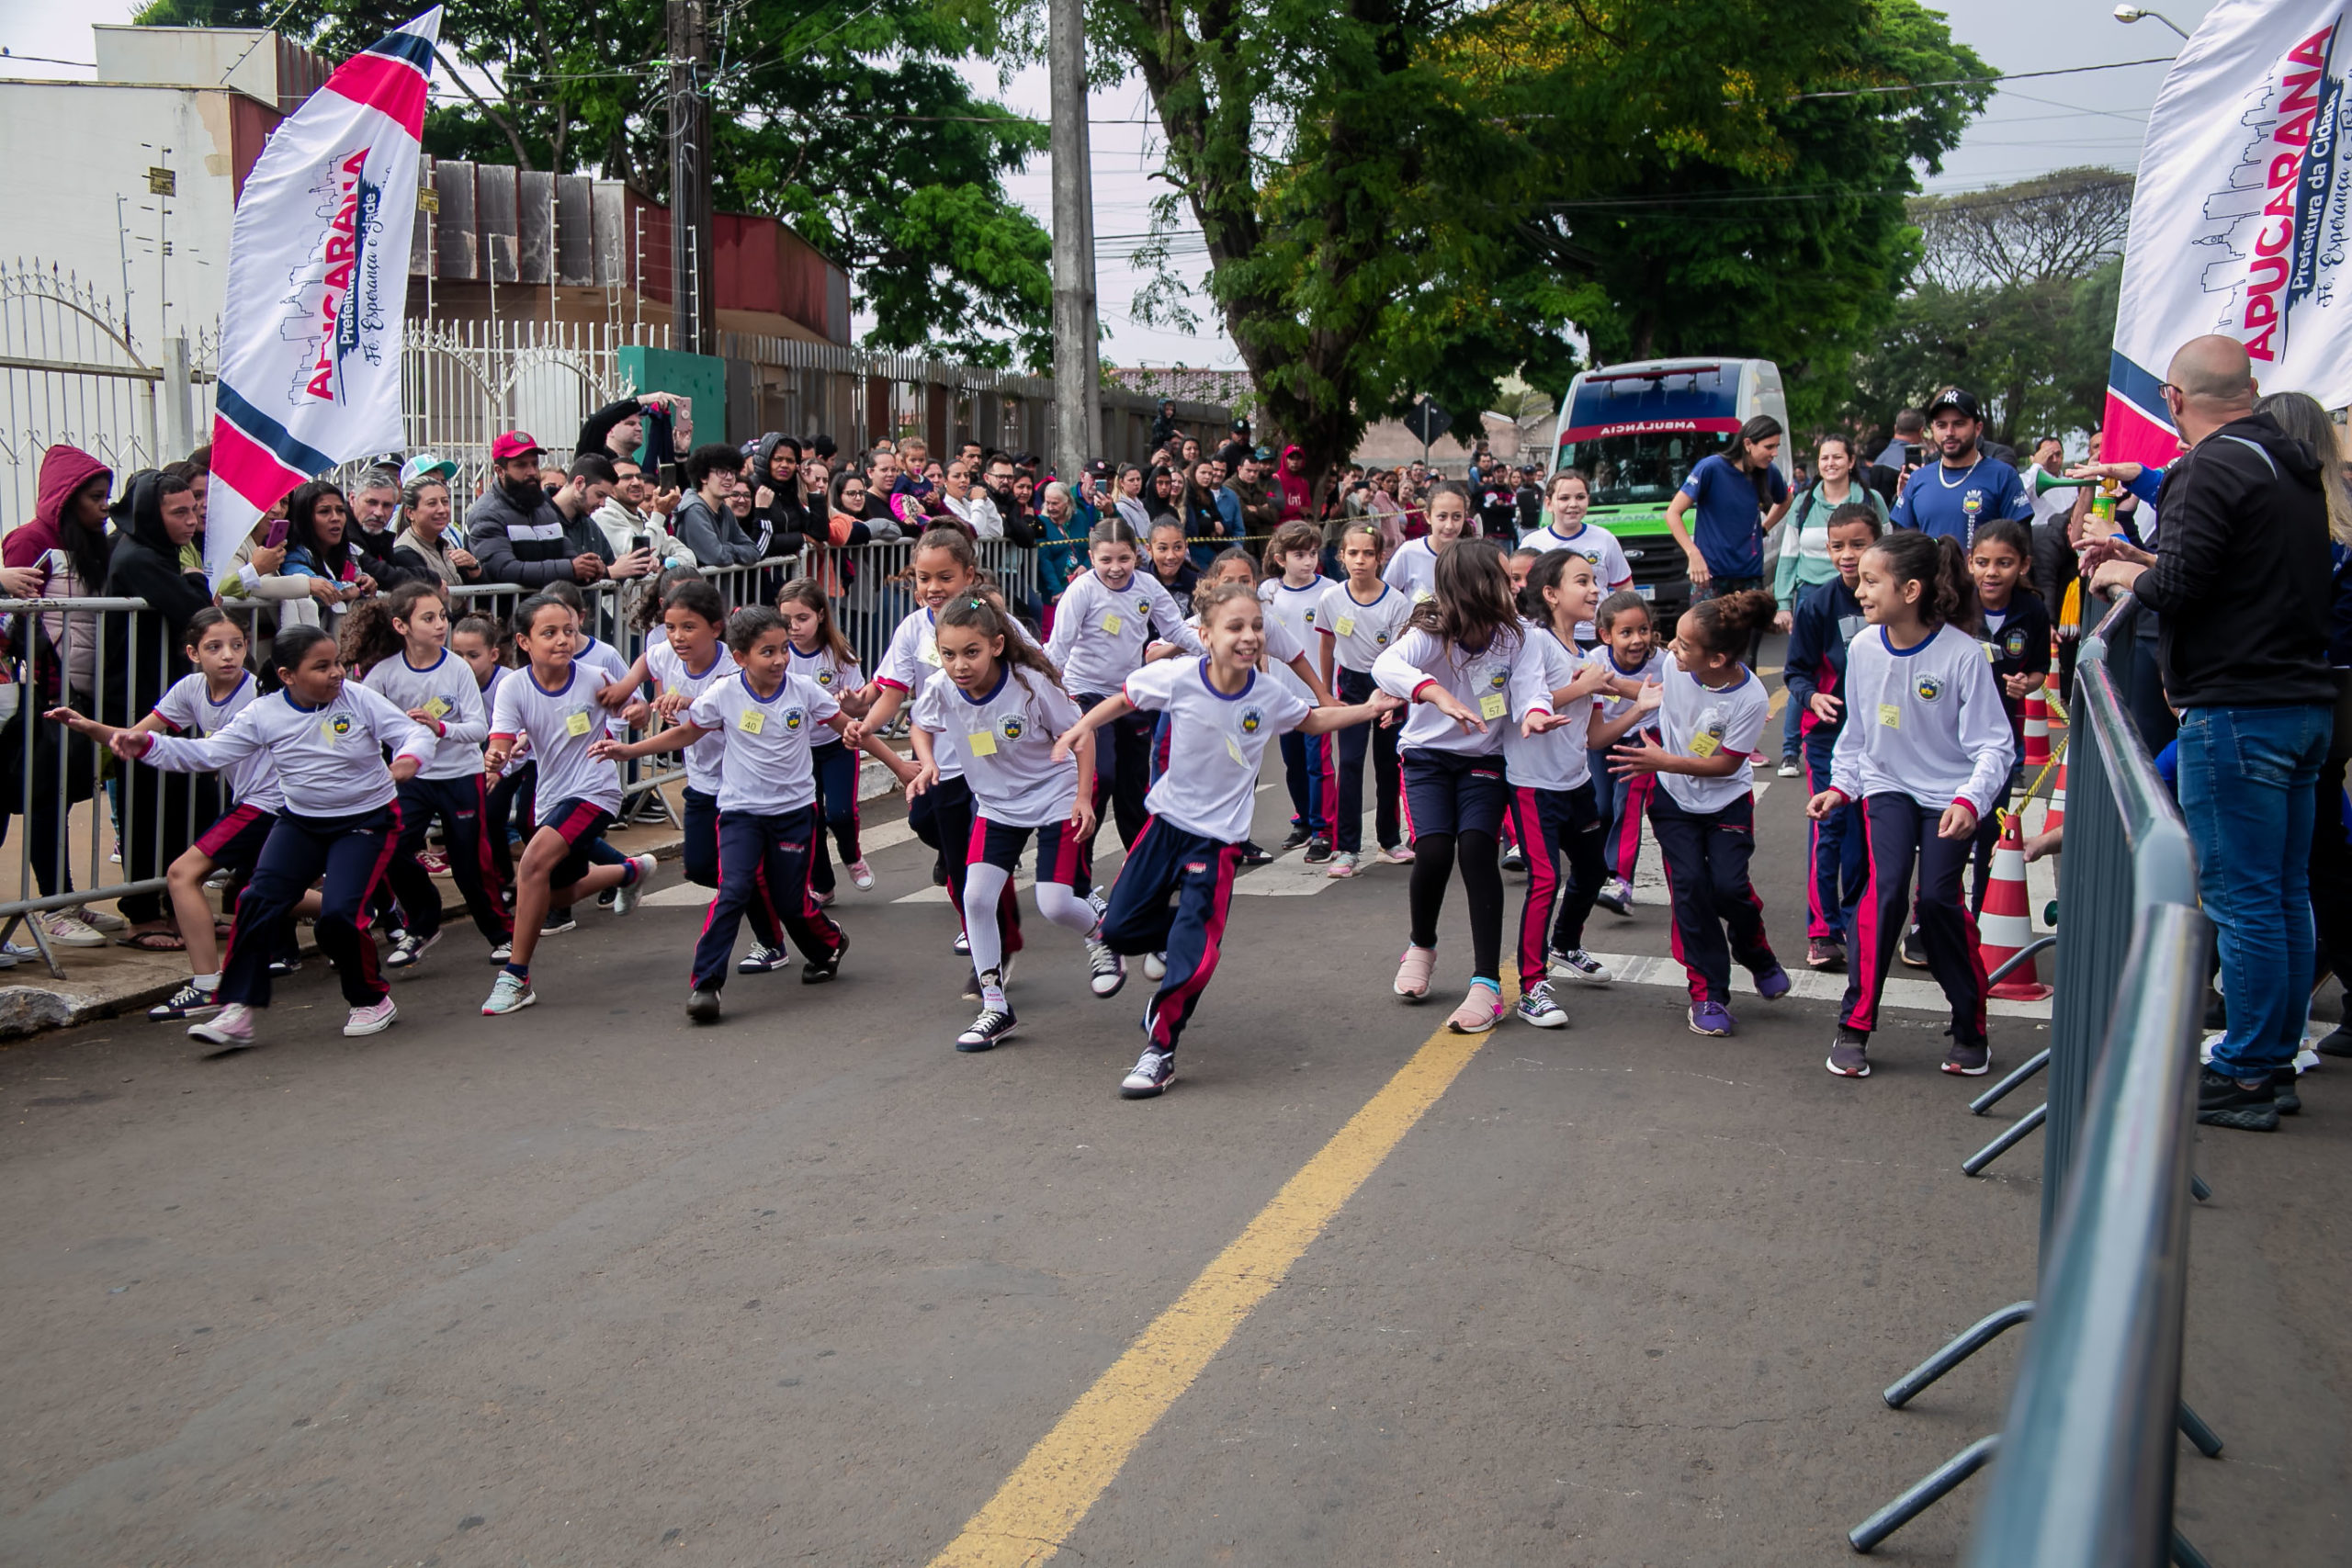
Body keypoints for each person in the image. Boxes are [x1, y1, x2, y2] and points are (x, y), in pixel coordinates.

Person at [2084, 336, 2335, 1131]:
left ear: (2173, 398)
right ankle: (2272, 1057)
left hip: (2238, 710)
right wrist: (2146, 554)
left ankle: (2250, 1068)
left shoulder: (2209, 465)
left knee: (2245, 899)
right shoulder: (2288, 465)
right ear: (2252, 390)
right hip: (2299, 704)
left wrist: (2126, 571)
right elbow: (2230, 570)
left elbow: (2186, 583)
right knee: (2283, 892)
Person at [1054, 581, 1399, 1098]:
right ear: (1205, 635)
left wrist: (1368, 709)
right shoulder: (1176, 677)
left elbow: (1311, 720)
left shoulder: (1267, 693)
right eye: (1235, 627)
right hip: (1164, 827)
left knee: (1196, 959)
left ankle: (1160, 1050)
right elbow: (1125, 698)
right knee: (1120, 932)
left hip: (1216, 845)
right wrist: (1080, 728)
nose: (1249, 637)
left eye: (1256, 627)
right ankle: (1178, 941)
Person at [92, 625, 437, 1044]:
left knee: (338, 916)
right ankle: (236, 1010)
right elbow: (207, 753)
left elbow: (411, 731)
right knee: (255, 901)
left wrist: (408, 759)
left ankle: (370, 999)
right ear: (288, 675)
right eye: (322, 666)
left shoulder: (358, 698)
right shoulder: (264, 713)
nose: (336, 674)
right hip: (301, 822)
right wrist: (146, 746)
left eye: (338, 663)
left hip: (364, 822)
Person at [594, 607, 905, 1023]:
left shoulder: (804, 691)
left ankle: (829, 944)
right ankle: (706, 985)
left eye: (783, 650)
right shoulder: (724, 694)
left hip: (794, 813)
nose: (779, 660)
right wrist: (629, 750)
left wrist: (900, 767)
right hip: (740, 812)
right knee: (733, 890)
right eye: (767, 652)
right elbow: (687, 731)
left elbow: (850, 729)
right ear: (740, 657)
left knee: (790, 902)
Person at [1805, 529, 2012, 1078]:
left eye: (1873, 581)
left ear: (1912, 589)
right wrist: (1840, 786)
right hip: (1888, 786)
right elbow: (1857, 734)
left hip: (1952, 794)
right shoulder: (1865, 648)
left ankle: (1970, 1027)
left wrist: (1972, 799)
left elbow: (1996, 743)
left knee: (1940, 902)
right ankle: (1855, 1024)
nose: (1861, 591)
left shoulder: (1965, 656)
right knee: (1886, 889)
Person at [48, 610, 300, 1017]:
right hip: (251, 800)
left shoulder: (259, 696)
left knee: (183, 874)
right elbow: (138, 736)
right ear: (193, 652)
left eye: (237, 645)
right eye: (214, 647)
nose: (228, 656)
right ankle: (358, 903)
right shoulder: (189, 689)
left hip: (271, 802)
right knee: (262, 892)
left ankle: (207, 986)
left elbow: (207, 754)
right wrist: (87, 726)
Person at [1373, 541, 1567, 1033]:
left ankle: (1486, 985)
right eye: (1508, 578)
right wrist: (1431, 692)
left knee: (1478, 850)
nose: (1517, 585)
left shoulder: (1517, 635)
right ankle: (1421, 945)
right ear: (1478, 587)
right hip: (1425, 759)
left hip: (1484, 760)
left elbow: (1530, 690)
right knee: (1435, 851)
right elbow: (1386, 667)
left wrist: (1538, 714)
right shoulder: (1430, 631)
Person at [908, 593, 1112, 1047]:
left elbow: (1081, 735)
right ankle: (995, 1007)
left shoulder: (1030, 684)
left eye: (971, 652)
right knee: (976, 898)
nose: (959, 665)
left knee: (1056, 904)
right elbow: (920, 724)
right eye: (948, 654)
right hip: (998, 806)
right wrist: (925, 762)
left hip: (1055, 796)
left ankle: (1102, 934)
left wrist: (1083, 796)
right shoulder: (943, 688)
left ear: (997, 645)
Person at [846, 529, 1030, 991]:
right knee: (938, 841)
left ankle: (994, 953)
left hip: (992, 766)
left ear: (968, 575)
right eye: (923, 578)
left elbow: (1039, 672)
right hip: (941, 765)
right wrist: (868, 724)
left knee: (980, 864)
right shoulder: (912, 629)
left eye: (944, 577)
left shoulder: (996, 624)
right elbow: (893, 693)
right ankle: (977, 916)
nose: (933, 588)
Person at [1610, 590, 1792, 1037]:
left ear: (1718, 658)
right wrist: (1604, 682)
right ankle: (1708, 993)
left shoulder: (1749, 698)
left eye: (1685, 644)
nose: (1671, 646)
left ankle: (1754, 950)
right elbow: (1661, 696)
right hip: (1673, 802)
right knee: (1690, 890)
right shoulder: (1676, 665)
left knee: (1729, 888)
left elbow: (1727, 764)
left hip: (1725, 801)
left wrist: (1662, 761)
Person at [478, 594, 662, 1017]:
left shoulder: (594, 676)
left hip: (597, 789)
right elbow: (502, 739)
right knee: (553, 891)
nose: (563, 640)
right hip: (552, 795)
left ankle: (516, 977)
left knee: (531, 865)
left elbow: (633, 709)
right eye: (549, 633)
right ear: (524, 641)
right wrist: (496, 757)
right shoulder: (513, 686)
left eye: (568, 631)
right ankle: (630, 870)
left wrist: (636, 713)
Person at [343, 581, 513, 968]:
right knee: (393, 847)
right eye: (429, 618)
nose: (440, 625)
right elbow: (357, 718)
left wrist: (440, 729)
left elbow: (478, 729)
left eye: (442, 616)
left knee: (469, 861)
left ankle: (501, 934)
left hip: (460, 775)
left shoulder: (456, 669)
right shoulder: (384, 673)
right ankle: (422, 922)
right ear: (401, 626)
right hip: (412, 779)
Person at [102, 468, 219, 947]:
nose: (191, 520)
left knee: (184, 804)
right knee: (147, 805)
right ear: (153, 515)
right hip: (139, 697)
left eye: (194, 508)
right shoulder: (138, 558)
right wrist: (194, 583)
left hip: (171, 695)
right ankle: (142, 911)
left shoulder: (161, 554)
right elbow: (197, 613)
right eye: (179, 512)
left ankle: (177, 904)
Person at [1503, 549, 1619, 1027]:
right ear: (1550, 594)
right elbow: (1527, 699)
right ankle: (1531, 985)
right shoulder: (1534, 641)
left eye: (1595, 581)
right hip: (1533, 786)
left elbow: (1592, 736)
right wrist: (1587, 684)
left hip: (1576, 782)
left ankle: (1566, 943)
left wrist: (1642, 705)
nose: (1595, 590)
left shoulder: (1585, 655)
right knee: (1546, 879)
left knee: (1594, 869)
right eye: (1582, 582)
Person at [1044, 516, 1204, 852]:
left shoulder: (1147, 587)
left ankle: (1140, 869)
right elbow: (1058, 649)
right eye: (1106, 560)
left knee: (1133, 787)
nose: (1115, 568)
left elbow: (1175, 631)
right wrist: (1046, 696)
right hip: (1085, 694)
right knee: (1102, 776)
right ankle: (1078, 875)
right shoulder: (1082, 590)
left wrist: (1219, 651)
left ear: (1137, 555)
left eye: (1124, 559)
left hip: (1130, 696)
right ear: (1091, 557)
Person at [1783, 502, 1882, 971]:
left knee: (1867, 835)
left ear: (1877, 544)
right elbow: (1795, 673)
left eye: (1858, 545)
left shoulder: (1894, 600)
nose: (1847, 555)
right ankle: (1822, 932)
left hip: (1881, 737)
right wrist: (1811, 699)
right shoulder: (1817, 604)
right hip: (1826, 738)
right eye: (1838, 546)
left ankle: (1857, 920)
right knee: (1830, 828)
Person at [1771, 434, 1888, 773]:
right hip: (1813, 591)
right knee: (1812, 674)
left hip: (1866, 591)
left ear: (1851, 461)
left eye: (1837, 457)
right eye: (1824, 458)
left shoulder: (1870, 499)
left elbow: (1891, 544)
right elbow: (1789, 552)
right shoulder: (1804, 501)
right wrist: (1783, 600)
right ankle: (1792, 748)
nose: (1830, 464)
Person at [1317, 522, 1416, 874]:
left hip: (1389, 686)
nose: (1360, 561)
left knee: (1389, 764)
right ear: (1341, 556)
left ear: (1380, 557)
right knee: (1352, 763)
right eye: (1353, 553)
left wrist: (1397, 695)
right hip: (1352, 687)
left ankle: (1389, 841)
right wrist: (1326, 693)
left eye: (1368, 554)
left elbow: (1402, 656)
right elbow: (1327, 644)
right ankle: (1346, 848)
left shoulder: (1397, 602)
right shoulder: (1331, 598)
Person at [1964, 516, 2051, 910]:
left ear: (2024, 566)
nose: (1992, 573)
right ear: (1969, 563)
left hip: (1999, 738)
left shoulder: (2032, 610)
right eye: (1982, 562)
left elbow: (2038, 670)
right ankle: (1928, 919)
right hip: (1952, 734)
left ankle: (1980, 913)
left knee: (1988, 828)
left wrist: (2027, 685)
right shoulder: (1955, 606)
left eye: (2004, 563)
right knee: (1945, 828)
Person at [1586, 591, 1663, 918]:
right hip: (1605, 739)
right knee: (1602, 806)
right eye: (1626, 632)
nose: (1637, 640)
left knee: (1626, 804)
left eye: (1643, 630)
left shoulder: (1663, 662)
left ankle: (1622, 882)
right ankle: (1603, 869)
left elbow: (1676, 693)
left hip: (1645, 739)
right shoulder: (1594, 661)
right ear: (1606, 635)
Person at [1664, 415, 1791, 606]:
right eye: (1769, 447)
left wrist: (1765, 528)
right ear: (1748, 443)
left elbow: (1785, 500)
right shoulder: (1711, 468)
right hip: (1710, 577)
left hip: (1750, 576)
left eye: (1776, 447)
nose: (1774, 453)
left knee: (1750, 636)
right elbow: (1672, 513)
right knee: (1707, 634)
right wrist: (1693, 554)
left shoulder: (1769, 472)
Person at [1888, 387, 2031, 547]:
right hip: (1930, 572)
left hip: (1983, 573)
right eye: (1941, 425)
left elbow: (2022, 545)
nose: (1949, 432)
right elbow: (1901, 547)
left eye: (1959, 424)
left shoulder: (2003, 476)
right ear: (1933, 429)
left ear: (1978, 429)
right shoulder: (1918, 478)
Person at [467, 434, 614, 590]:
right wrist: (570, 569)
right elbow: (503, 569)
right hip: (508, 612)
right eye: (521, 465)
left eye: (534, 464)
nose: (531, 472)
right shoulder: (486, 514)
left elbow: (566, 553)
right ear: (500, 471)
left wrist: (589, 568)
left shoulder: (543, 509)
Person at [1518, 470, 1634, 643]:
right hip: (1548, 636)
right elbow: (1521, 594)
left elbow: (1625, 588)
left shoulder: (1605, 539)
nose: (1573, 504)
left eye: (1580, 497)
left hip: (1596, 636)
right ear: (1549, 504)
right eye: (1564, 498)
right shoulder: (1532, 543)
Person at [671, 444, 766, 567]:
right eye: (722, 472)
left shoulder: (724, 510)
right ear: (703, 477)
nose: (729, 478)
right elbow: (718, 557)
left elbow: (754, 551)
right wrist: (733, 550)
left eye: (733, 473)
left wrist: (727, 548)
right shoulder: (693, 511)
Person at [390, 470, 483, 589]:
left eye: (445, 502)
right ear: (410, 513)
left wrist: (474, 568)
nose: (442, 510)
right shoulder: (404, 554)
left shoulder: (448, 546)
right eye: (432, 503)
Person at [1382, 480, 1472, 603]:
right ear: (1428, 517)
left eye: (1456, 517)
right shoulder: (1408, 552)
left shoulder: (1471, 558)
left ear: (1465, 517)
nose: (1449, 525)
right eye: (1442, 516)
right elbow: (1387, 595)